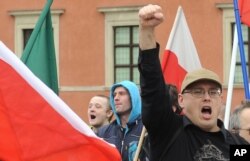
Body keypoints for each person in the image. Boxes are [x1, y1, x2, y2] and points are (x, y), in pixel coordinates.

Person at [138, 4, 249, 161]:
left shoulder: (237, 146)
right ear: (181, 100)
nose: (207, 97)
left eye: (213, 92)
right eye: (198, 91)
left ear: (220, 99)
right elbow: (152, 85)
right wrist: (146, 31)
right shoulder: (168, 131)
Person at [97, 80, 144, 161]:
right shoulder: (103, 132)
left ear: (133, 97)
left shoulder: (145, 129)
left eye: (121, 94)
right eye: (114, 95)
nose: (116, 98)